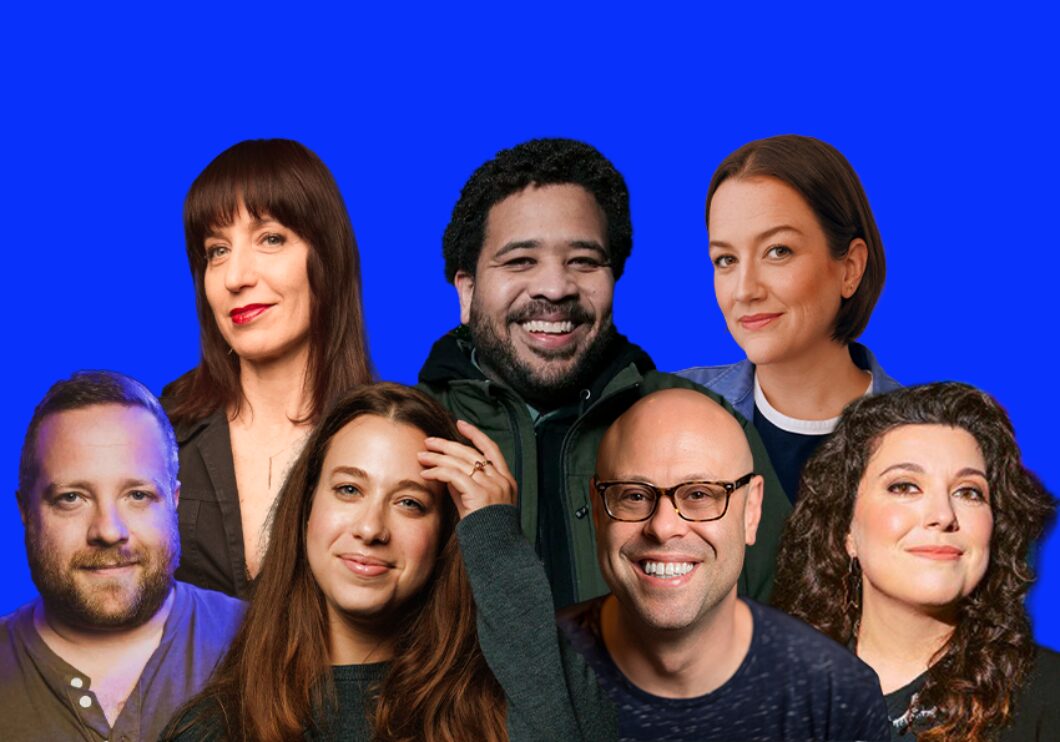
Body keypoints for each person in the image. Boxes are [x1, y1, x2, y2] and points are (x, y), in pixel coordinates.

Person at [418, 137, 791, 608]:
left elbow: (799, 624)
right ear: (467, 291)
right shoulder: (404, 434)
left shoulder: (703, 425)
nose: (555, 287)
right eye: (520, 261)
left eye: (583, 261)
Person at [163, 383, 614, 741]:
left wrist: (497, 539)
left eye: (410, 503)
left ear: (445, 535)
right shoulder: (213, 728)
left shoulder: (505, 703)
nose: (370, 528)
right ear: (305, 508)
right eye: (349, 490)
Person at [559, 388, 890, 741]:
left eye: (700, 494)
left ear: (752, 510)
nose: (663, 526)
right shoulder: (526, 673)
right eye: (635, 496)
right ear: (597, 510)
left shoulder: (836, 696)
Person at [774, 382, 1059, 740]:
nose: (943, 515)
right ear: (846, 529)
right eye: (905, 486)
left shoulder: (1049, 699)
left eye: (968, 492)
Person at [163, 138, 374, 598]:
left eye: (270, 239)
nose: (236, 276)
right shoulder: (159, 431)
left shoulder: (390, 436)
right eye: (216, 250)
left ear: (326, 256)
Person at [0, 371, 243, 742]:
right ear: (26, 511)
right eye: (71, 498)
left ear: (174, 503)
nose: (109, 530)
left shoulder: (261, 643)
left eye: (138, 495)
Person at [678, 134, 900, 503]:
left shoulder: (934, 436)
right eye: (726, 260)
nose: (744, 290)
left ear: (850, 268)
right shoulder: (669, 409)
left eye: (777, 251)